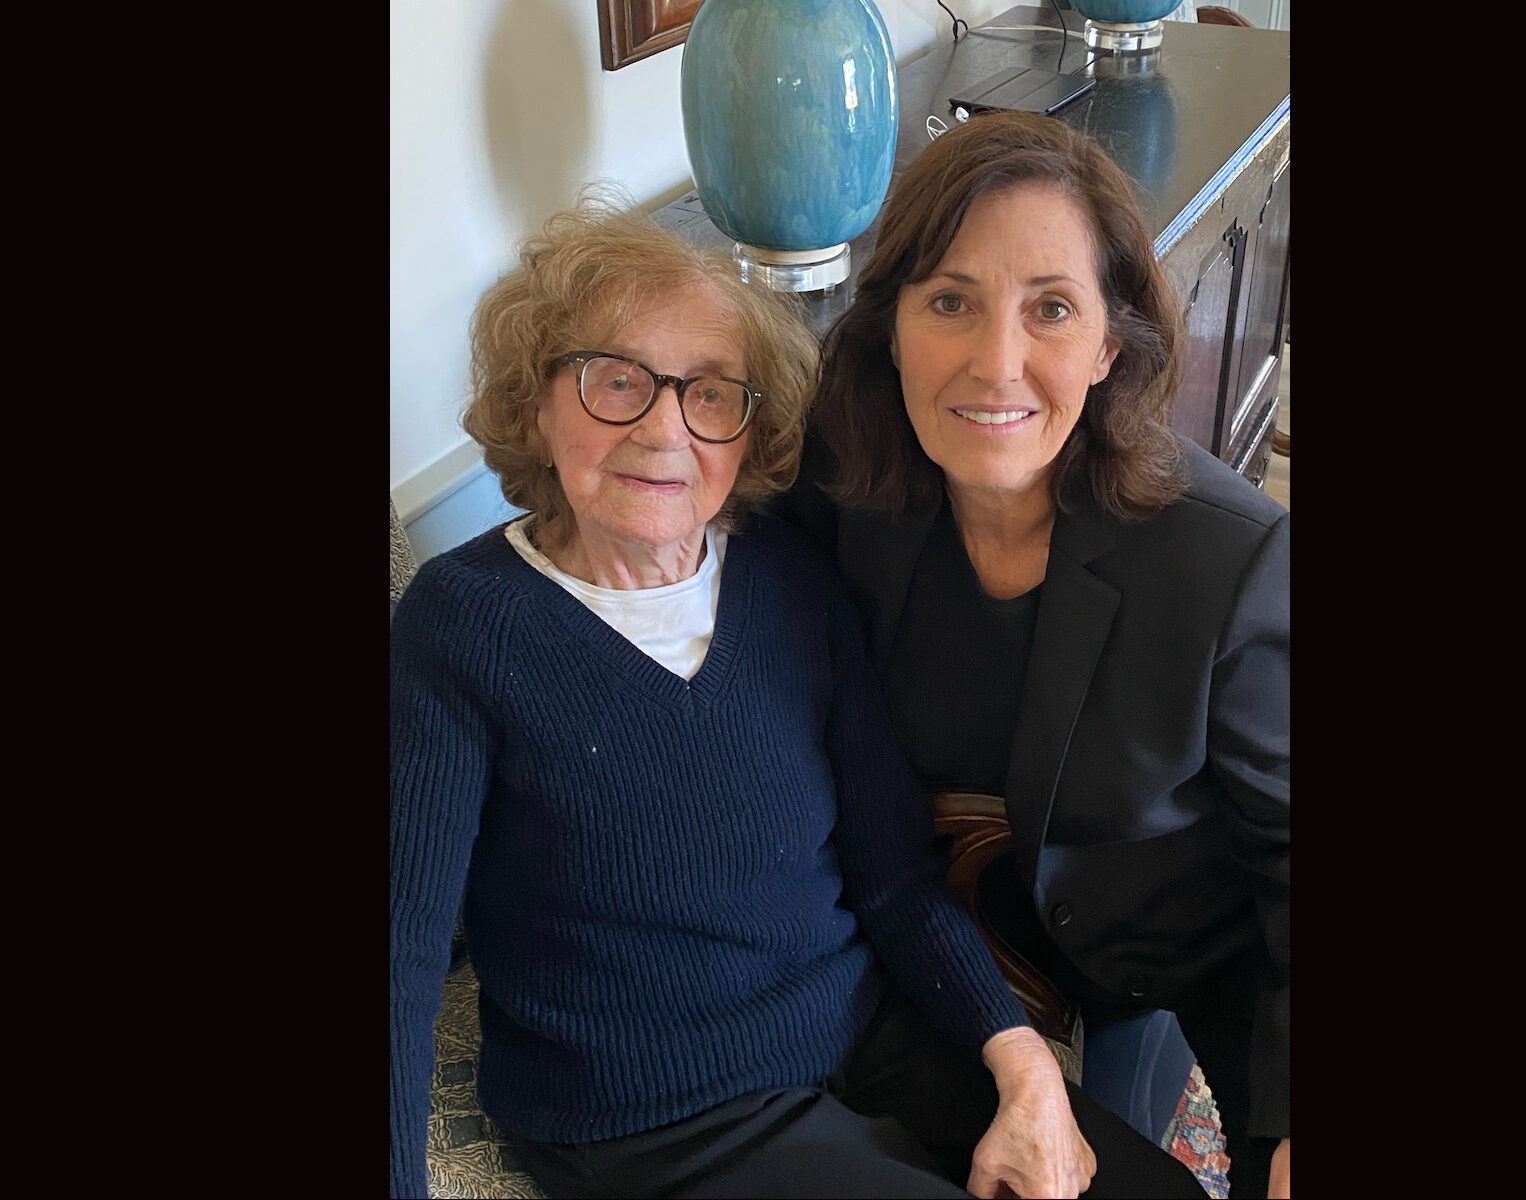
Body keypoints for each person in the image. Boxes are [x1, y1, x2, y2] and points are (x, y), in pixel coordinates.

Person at [389, 200, 1209, 1199]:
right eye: (615, 381)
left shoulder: (787, 578)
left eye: (711, 394)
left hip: (863, 1035)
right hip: (660, 1115)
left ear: (748, 432)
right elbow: (400, 949)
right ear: (532, 406)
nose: (663, 428)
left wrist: (1017, 1057)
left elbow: (896, 877)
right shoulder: (461, 626)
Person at [775, 112, 1291, 1198]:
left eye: (1049, 308)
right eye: (950, 301)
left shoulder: (1230, 559)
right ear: (893, 328)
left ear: (1110, 343)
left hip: (1188, 942)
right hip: (944, 925)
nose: (993, 363)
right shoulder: (845, 486)